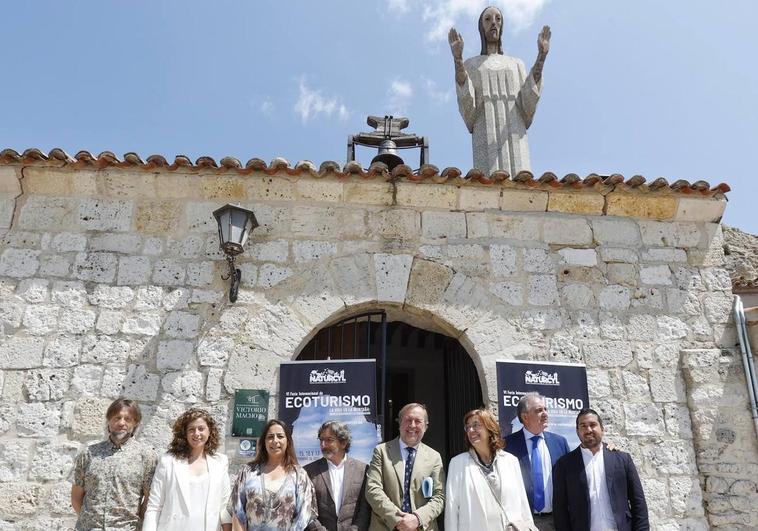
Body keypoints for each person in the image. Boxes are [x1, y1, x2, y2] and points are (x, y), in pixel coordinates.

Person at [448, 6, 551, 176]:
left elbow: (528, 100)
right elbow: (468, 105)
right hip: (485, 137)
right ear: (481, 27)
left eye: (498, 19)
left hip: (516, 138)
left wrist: (541, 57)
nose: (493, 23)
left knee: (521, 182)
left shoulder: (516, 64)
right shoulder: (471, 65)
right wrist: (458, 59)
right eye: (488, 19)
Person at [553, 409, 649, 531]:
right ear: (577, 431)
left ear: (602, 429)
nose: (588, 430)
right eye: (583, 426)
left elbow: (638, 503)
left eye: (593, 425)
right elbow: (560, 510)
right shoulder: (564, 465)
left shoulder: (622, 460)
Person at [71, 397, 157, 530]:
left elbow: (149, 498)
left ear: (135, 424)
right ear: (109, 421)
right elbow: (76, 497)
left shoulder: (146, 456)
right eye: (116, 418)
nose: (121, 423)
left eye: (128, 419)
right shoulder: (88, 454)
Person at [143, 408, 233, 531]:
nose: (196, 433)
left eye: (201, 428)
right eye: (191, 429)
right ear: (184, 434)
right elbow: (154, 506)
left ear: (210, 431)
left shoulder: (220, 462)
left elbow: (224, 507)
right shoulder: (168, 461)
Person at [445, 408, 533, 530]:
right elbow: (451, 508)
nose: (470, 430)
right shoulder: (458, 463)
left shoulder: (510, 461)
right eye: (467, 427)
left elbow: (523, 503)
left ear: (490, 428)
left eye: (476, 425)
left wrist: (529, 527)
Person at [365, 403, 445, 531]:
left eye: (418, 421)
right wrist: (397, 520)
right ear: (400, 423)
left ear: (426, 426)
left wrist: (417, 519)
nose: (412, 425)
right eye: (408, 420)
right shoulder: (382, 451)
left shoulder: (434, 457)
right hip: (386, 526)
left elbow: (439, 497)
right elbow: (372, 489)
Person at [229, 419, 317, 531]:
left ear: (288, 441)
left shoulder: (299, 475)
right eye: (270, 437)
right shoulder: (247, 472)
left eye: (280, 436)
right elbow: (237, 512)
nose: (275, 441)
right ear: (264, 442)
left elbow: (304, 515)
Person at [504, 392, 570, 531]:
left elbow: (572, 476)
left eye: (545, 409)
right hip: (523, 522)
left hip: (556, 521)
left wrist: (607, 447)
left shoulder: (559, 442)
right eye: (539, 410)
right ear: (525, 417)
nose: (545, 414)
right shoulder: (507, 445)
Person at [304, 420, 370, 531]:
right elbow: (307, 509)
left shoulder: (362, 469)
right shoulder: (308, 471)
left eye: (329, 440)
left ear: (343, 443)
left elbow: (365, 508)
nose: (323, 445)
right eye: (321, 440)